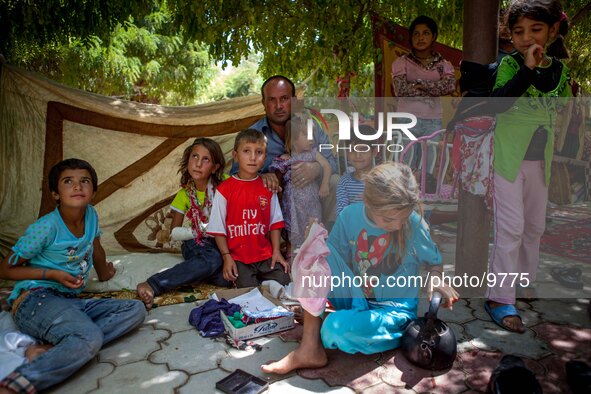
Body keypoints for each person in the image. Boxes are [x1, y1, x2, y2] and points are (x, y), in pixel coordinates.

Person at [262, 162, 459, 374]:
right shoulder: (350, 216)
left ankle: (328, 320)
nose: (397, 225)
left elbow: (434, 261)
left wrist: (436, 278)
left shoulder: (413, 223)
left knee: (334, 330)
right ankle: (310, 348)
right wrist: (313, 239)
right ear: (367, 202)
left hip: (393, 312)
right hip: (356, 296)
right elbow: (328, 260)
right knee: (315, 249)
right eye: (389, 219)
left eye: (403, 218)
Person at [0, 158, 146, 393]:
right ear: (56, 193)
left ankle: (56, 347)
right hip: (36, 299)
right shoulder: (46, 228)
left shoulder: (91, 214)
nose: (77, 187)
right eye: (68, 181)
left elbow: (95, 245)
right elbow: (5, 269)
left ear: (93, 191)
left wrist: (104, 272)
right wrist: (52, 274)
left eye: (84, 181)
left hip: (70, 301)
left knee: (134, 309)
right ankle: (16, 384)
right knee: (89, 338)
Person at [486, 0, 571, 333]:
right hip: (509, 161)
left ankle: (523, 282)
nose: (525, 37)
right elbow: (499, 103)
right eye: (518, 31)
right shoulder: (509, 65)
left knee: (534, 227)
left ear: (551, 31)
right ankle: (499, 297)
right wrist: (528, 69)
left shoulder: (561, 72)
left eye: (535, 29)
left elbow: (562, 109)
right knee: (511, 229)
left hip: (541, 163)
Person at [136, 138, 230, 310]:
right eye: (194, 157)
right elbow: (175, 233)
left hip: (223, 242)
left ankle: (202, 269)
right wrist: (200, 231)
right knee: (213, 259)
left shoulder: (227, 183)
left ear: (215, 167)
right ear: (187, 161)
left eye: (206, 159)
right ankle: (153, 284)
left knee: (223, 279)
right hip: (196, 243)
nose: (198, 163)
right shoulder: (184, 194)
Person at [232, 75, 338, 225]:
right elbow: (234, 176)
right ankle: (270, 243)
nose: (279, 106)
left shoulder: (311, 127)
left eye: (284, 99)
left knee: (335, 181)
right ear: (264, 103)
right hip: (274, 204)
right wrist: (259, 177)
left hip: (311, 199)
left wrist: (316, 169)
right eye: (272, 100)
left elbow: (333, 163)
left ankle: (326, 240)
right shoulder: (252, 134)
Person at [208, 129, 291, 288]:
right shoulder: (225, 190)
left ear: (265, 157)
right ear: (235, 155)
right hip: (238, 257)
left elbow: (275, 223)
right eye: (246, 151)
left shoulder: (268, 187)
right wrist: (226, 257)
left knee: (285, 281)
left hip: (264, 255)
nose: (253, 157)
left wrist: (276, 252)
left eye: (259, 152)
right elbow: (218, 229)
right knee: (248, 290)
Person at [391, 15, 456, 171]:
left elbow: (449, 86)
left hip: (433, 120)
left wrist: (421, 84)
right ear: (411, 38)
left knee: (429, 166)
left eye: (426, 33)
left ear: (433, 36)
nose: (421, 38)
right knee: (405, 164)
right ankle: (405, 195)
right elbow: (401, 90)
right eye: (416, 34)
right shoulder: (402, 62)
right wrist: (433, 87)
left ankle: (426, 195)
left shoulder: (443, 64)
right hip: (406, 120)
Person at [269, 116, 331, 251]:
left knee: (313, 226)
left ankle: (314, 250)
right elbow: (277, 180)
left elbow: (326, 165)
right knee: (293, 227)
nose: (311, 139)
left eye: (312, 135)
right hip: (293, 205)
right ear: (294, 139)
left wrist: (325, 184)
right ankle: (293, 251)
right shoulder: (284, 160)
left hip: (311, 201)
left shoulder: (313, 154)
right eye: (306, 134)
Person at [335, 126, 379, 217]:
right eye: (352, 149)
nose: (357, 155)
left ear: (374, 152)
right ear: (347, 152)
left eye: (363, 149)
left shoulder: (382, 180)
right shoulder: (344, 182)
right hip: (352, 228)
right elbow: (341, 214)